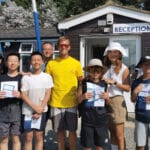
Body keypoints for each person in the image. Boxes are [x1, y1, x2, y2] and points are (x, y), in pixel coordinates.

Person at [45, 36, 83, 150]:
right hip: (55, 103)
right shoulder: (51, 64)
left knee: (72, 131)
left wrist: (79, 96)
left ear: (69, 47)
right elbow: (46, 83)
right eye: (61, 45)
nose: (63, 47)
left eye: (66, 45)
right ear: (57, 47)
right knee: (59, 132)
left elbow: (81, 82)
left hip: (71, 103)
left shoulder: (76, 63)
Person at [21, 52, 53, 150]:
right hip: (28, 112)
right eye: (33, 60)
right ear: (30, 62)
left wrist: (40, 109)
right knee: (28, 137)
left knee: (39, 137)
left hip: (42, 110)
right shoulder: (26, 77)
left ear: (42, 62)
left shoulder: (47, 77)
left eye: (38, 60)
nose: (36, 62)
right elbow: (23, 95)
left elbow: (48, 93)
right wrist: (35, 108)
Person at [77, 58, 111, 150]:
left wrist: (107, 98)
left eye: (97, 70)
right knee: (87, 146)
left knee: (100, 146)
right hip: (87, 119)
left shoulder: (104, 84)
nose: (95, 72)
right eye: (93, 70)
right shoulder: (83, 83)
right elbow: (78, 100)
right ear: (89, 71)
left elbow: (108, 103)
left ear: (101, 72)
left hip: (101, 119)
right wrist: (83, 97)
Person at [103, 42, 130, 150]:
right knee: (112, 133)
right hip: (107, 100)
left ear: (119, 54)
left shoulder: (124, 69)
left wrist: (114, 82)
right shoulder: (106, 68)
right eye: (110, 52)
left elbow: (128, 88)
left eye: (115, 52)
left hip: (118, 102)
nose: (112, 54)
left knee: (119, 135)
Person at [0, 53, 22, 150]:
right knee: (3, 139)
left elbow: (27, 96)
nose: (12, 63)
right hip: (2, 112)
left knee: (16, 139)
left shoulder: (23, 78)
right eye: (10, 61)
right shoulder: (1, 78)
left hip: (17, 113)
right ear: (6, 63)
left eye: (15, 61)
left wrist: (20, 95)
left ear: (18, 63)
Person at [131, 56, 150, 150]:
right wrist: (135, 92)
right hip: (141, 117)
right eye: (145, 64)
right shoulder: (136, 82)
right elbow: (133, 100)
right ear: (141, 66)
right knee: (140, 145)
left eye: (149, 64)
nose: (148, 66)